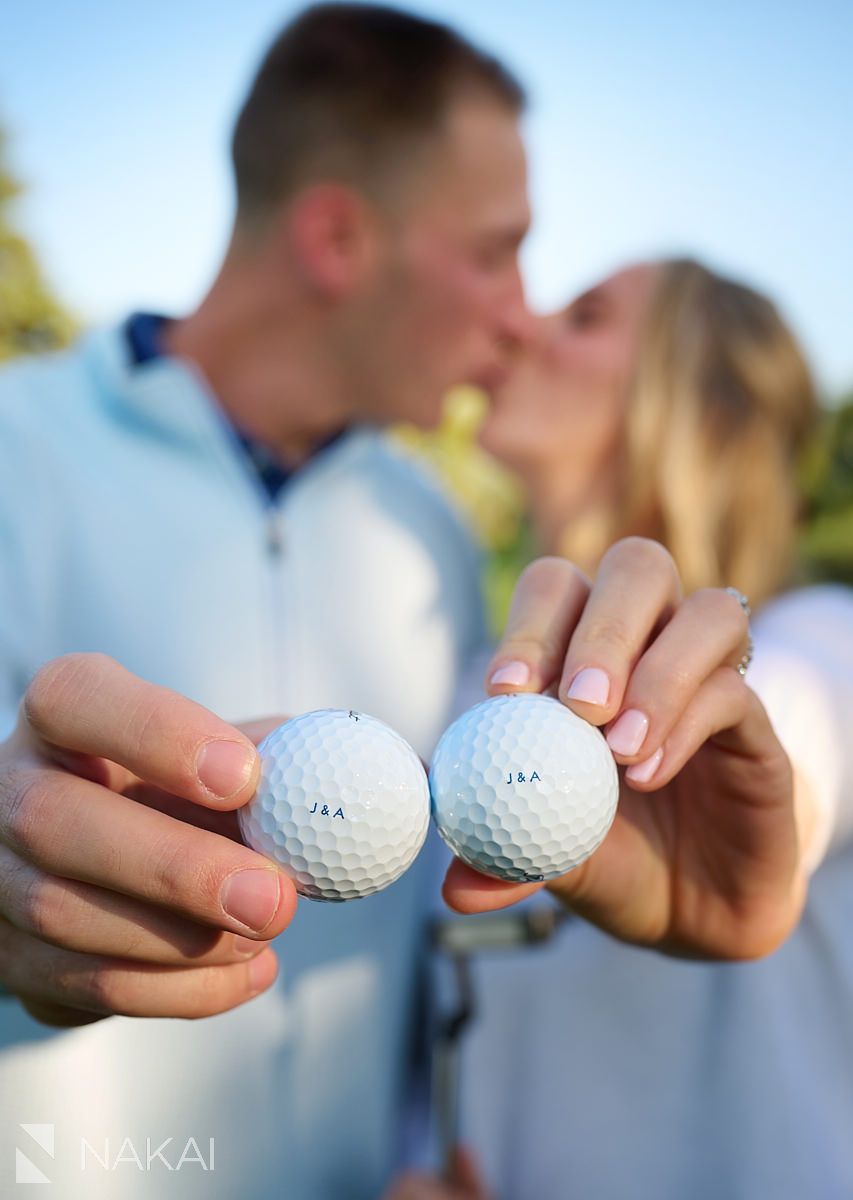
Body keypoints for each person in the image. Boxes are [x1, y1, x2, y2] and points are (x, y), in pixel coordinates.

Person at [0, 6, 530, 1197]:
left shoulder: (432, 526)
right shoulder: (13, 454)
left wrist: (410, 1150)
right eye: (497, 251)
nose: (523, 313)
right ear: (338, 238)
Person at [430, 258, 853, 1198]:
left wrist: (756, 795)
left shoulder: (824, 635)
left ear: (703, 412)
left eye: (583, 318)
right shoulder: (473, 701)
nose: (527, 325)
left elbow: (802, 724)